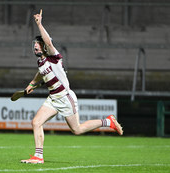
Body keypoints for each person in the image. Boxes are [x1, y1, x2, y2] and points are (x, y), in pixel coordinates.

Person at [21, 9, 123, 164]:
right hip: (53, 98)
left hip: (65, 97)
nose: (35, 47)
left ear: (44, 47)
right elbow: (41, 73)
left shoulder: (54, 57)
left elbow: (48, 42)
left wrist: (39, 24)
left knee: (77, 130)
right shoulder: (41, 61)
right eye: (34, 44)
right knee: (36, 122)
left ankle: (108, 122)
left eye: (38, 45)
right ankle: (38, 157)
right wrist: (32, 84)